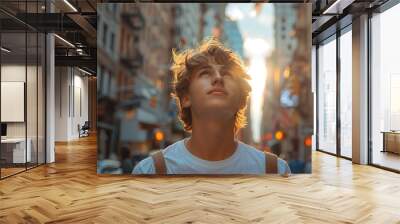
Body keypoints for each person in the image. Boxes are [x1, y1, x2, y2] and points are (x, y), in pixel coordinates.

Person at [132, 39, 291, 175]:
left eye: (227, 74)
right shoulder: (150, 171)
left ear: (241, 101)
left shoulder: (275, 170)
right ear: (186, 98)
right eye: (205, 73)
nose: (218, 78)